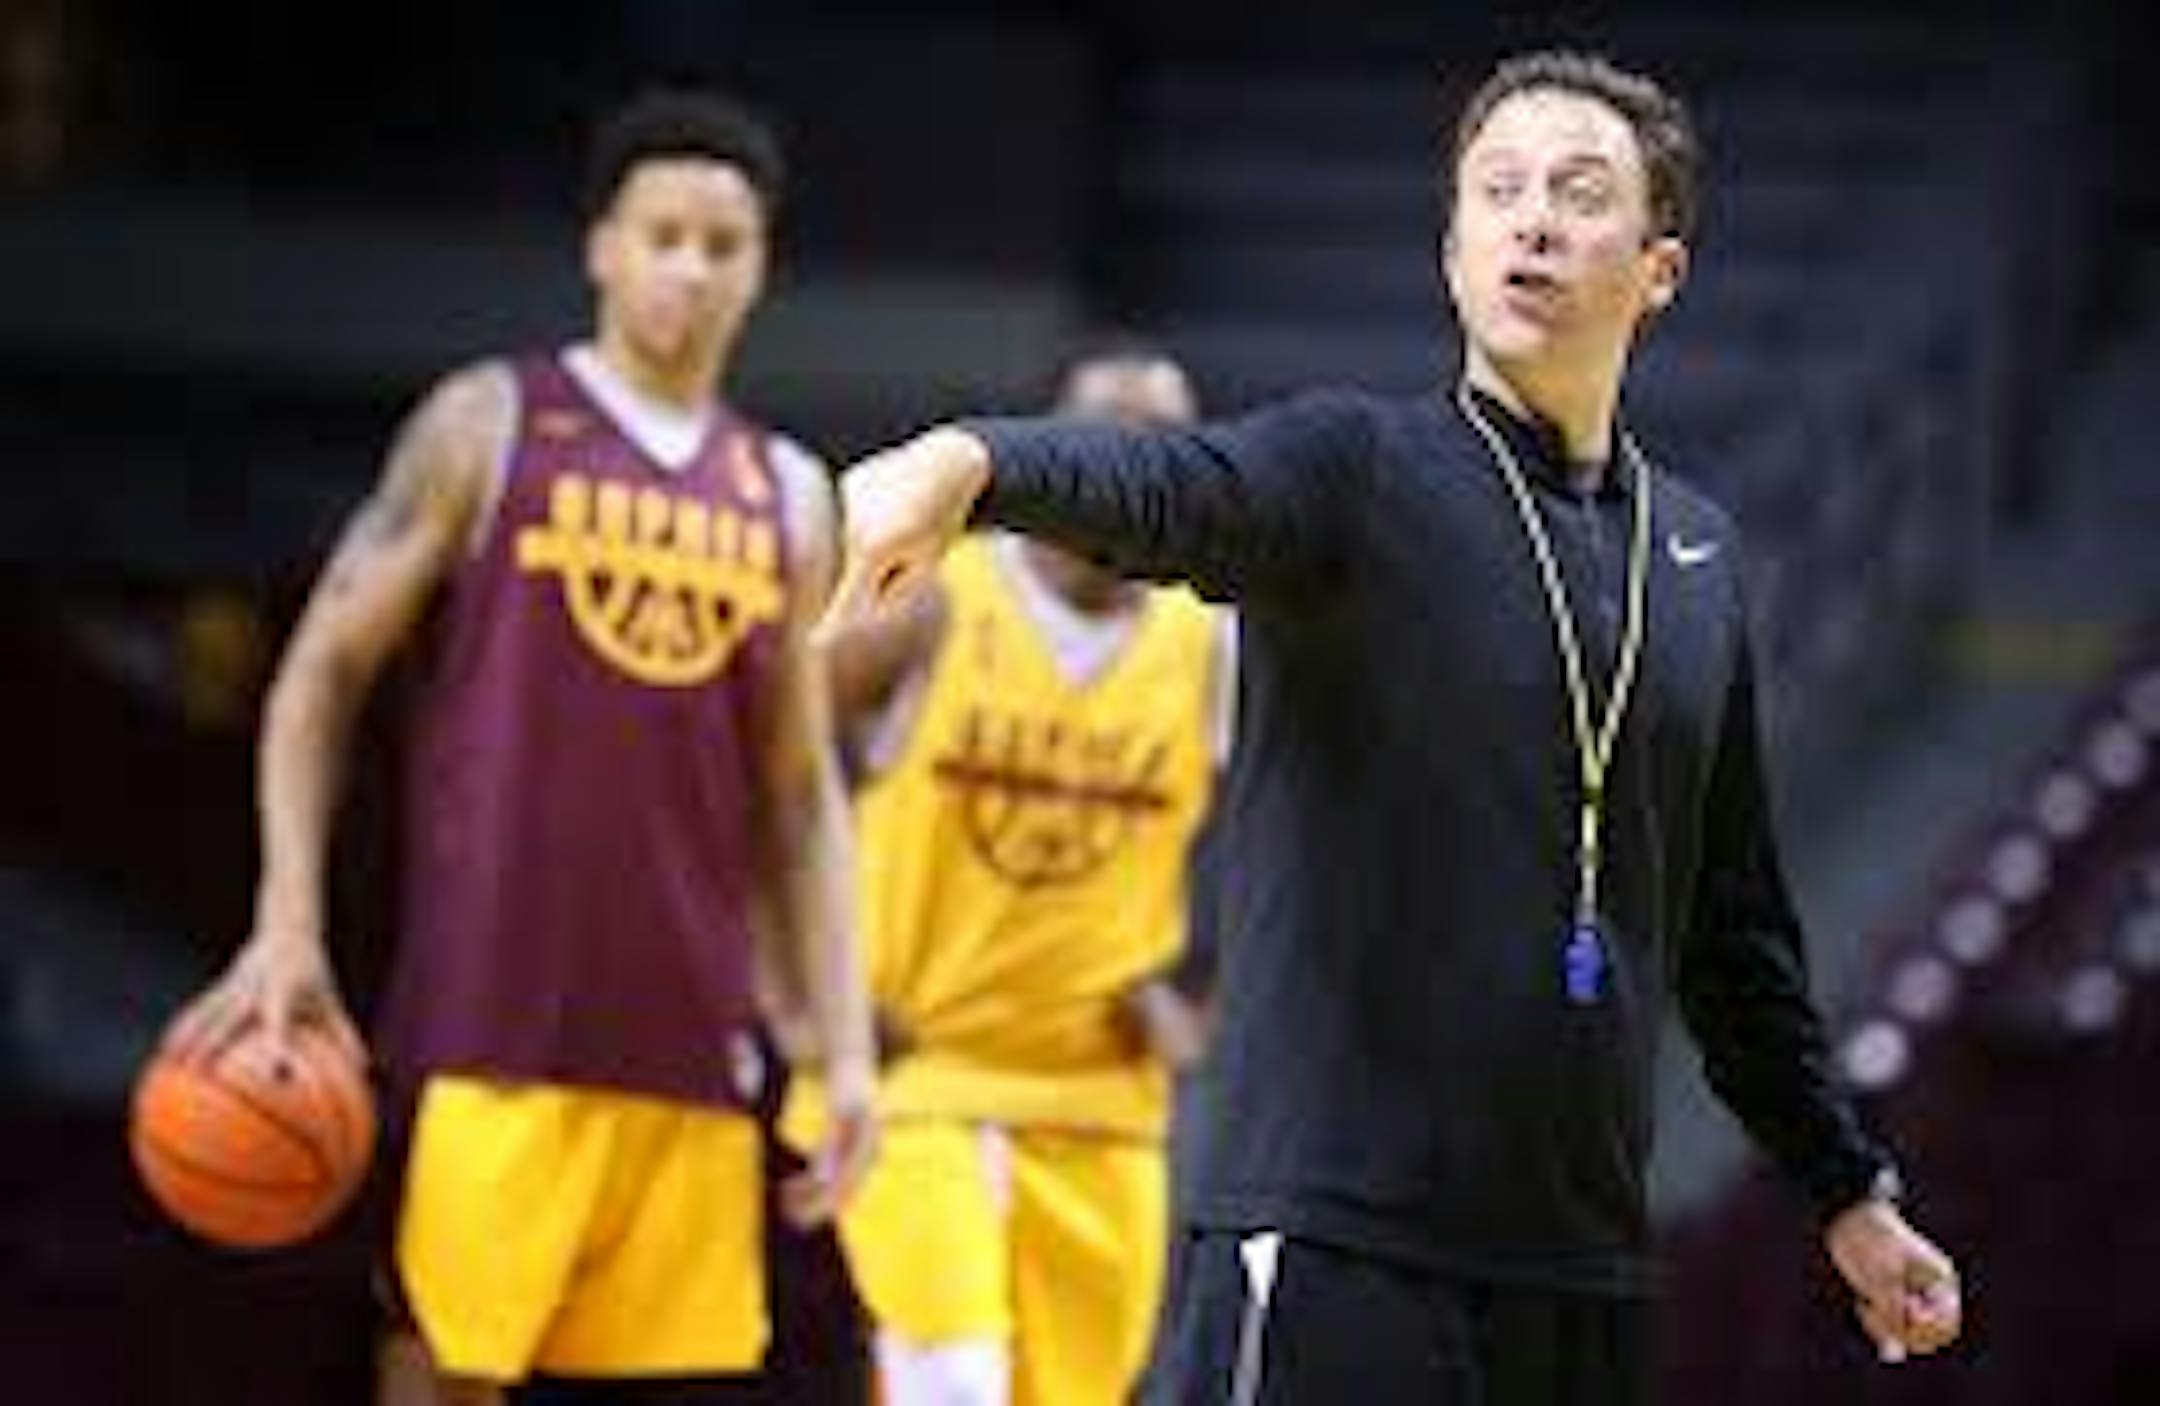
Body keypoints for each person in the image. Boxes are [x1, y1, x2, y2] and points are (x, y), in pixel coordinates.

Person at [818, 49, 1963, 1406]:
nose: (1534, 220)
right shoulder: (1352, 471)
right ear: (1452, 252)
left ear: (1660, 270)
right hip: (1331, 1241)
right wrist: (970, 463)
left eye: (1579, 192)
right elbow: (1172, 485)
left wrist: (1848, 1189)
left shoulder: (1697, 556)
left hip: (1578, 1269)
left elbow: (1734, 936)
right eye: (1500, 189)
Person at [161, 89, 877, 1405]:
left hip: (691, 1041)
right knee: (442, 1375)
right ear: (601, 246)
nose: (689, 268)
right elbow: (319, 674)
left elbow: (801, 790)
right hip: (491, 1021)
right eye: (662, 235)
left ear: (761, 267)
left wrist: (847, 1041)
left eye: (722, 244)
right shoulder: (489, 424)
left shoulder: (788, 490)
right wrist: (286, 922)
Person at [784, 344, 1224, 1406]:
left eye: (1160, 448)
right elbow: (773, 776)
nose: (1128, 470)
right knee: (953, 1382)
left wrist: (1207, 1002)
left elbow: (1305, 836)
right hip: (918, 1077)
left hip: (1099, 1102)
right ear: (1052, 455)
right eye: (1104, 443)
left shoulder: (1212, 645)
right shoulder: (934, 598)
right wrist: (801, 1003)